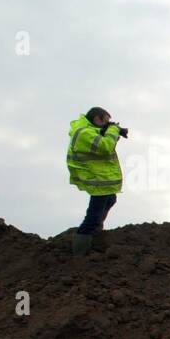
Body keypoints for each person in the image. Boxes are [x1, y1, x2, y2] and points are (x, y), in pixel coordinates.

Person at [67, 107, 127, 255]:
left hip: (100, 179)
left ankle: (95, 234)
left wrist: (115, 131)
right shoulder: (83, 133)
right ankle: (80, 252)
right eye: (105, 121)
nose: (108, 124)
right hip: (96, 179)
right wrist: (112, 130)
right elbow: (105, 147)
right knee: (92, 217)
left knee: (111, 200)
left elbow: (104, 142)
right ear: (97, 119)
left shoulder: (90, 131)